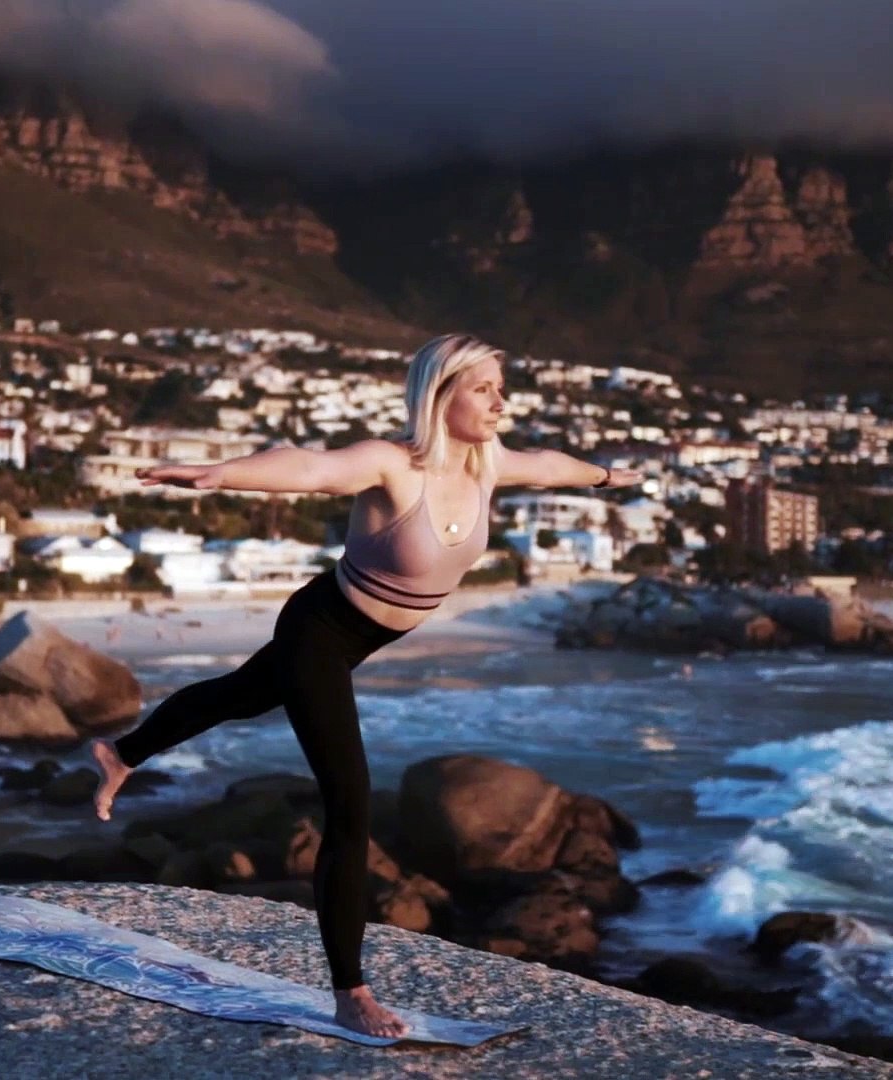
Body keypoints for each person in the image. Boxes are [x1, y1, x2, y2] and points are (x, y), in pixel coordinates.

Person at [87, 333, 642, 1037]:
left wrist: (603, 479)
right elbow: (311, 468)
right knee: (350, 804)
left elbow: (550, 466)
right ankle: (351, 990)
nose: (502, 401)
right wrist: (224, 473)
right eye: (484, 388)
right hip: (321, 630)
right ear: (441, 395)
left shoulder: (489, 463)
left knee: (235, 695)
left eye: (503, 386)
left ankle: (122, 754)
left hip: (364, 638)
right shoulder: (394, 464)